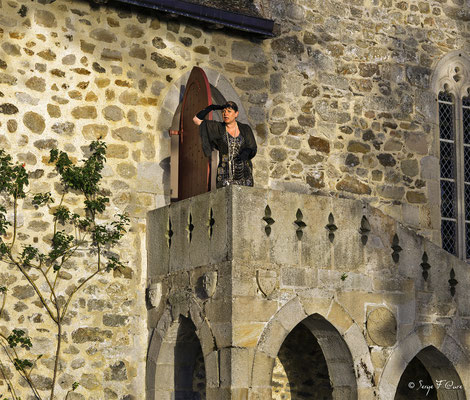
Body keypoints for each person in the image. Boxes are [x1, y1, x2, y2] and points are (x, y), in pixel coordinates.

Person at [193, 101, 257, 188]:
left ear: (236, 114)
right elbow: (196, 120)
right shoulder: (218, 128)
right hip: (225, 173)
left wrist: (246, 152)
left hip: (243, 172)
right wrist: (211, 108)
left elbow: (252, 147)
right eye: (223, 111)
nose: (225, 114)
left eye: (229, 111)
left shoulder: (245, 129)